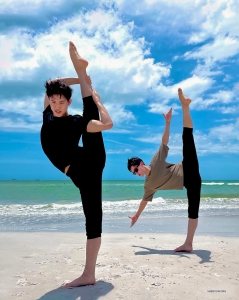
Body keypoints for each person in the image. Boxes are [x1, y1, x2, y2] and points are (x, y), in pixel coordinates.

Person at [40, 41, 113, 287]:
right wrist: (78, 76)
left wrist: (97, 100)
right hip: (80, 167)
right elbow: (52, 85)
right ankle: (81, 69)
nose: (57, 105)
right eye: (54, 101)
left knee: (93, 219)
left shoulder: (75, 121)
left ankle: (88, 274)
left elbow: (105, 125)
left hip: (88, 167)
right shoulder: (48, 115)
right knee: (93, 217)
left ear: (68, 103)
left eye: (62, 102)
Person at [128, 88, 201, 252]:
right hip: (192, 182)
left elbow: (164, 142)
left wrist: (167, 123)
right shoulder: (148, 186)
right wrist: (136, 215)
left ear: (140, 163)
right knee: (193, 211)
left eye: (135, 170)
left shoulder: (156, 161)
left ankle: (185, 105)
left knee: (187, 137)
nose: (136, 174)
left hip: (188, 167)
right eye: (134, 173)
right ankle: (188, 244)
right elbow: (144, 201)